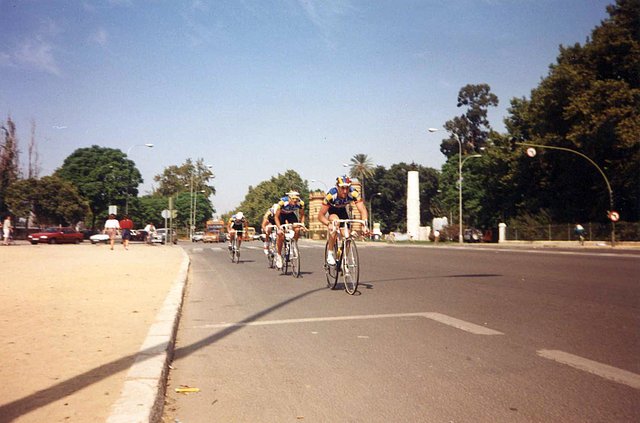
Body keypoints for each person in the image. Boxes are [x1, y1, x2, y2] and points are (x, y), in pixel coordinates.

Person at [317, 176, 369, 265]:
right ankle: (330, 254)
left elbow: (362, 210)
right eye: (342, 188)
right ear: (337, 187)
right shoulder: (331, 195)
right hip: (332, 211)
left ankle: (342, 259)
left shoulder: (353, 193)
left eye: (347, 188)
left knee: (347, 236)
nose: (345, 191)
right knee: (335, 223)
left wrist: (365, 225)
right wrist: (328, 223)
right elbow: (320, 216)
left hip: (343, 211)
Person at [274, 191, 306, 269]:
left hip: (290, 215)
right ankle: (278, 255)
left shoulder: (300, 203)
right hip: (281, 215)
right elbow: (276, 217)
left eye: (296, 200)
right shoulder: (282, 203)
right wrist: (279, 228)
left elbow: (302, 215)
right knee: (280, 234)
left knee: (297, 229)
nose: (295, 202)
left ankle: (294, 244)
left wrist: (302, 224)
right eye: (293, 200)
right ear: (289, 198)